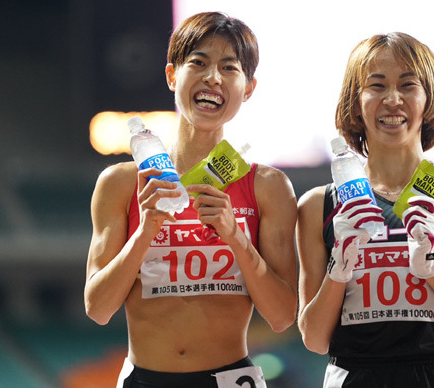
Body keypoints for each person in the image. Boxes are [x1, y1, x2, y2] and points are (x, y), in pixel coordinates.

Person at [84, 11, 298, 388]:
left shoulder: (268, 186)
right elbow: (98, 308)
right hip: (144, 378)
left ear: (248, 88)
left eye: (229, 68)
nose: (212, 77)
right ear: (172, 75)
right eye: (198, 62)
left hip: (232, 377)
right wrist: (145, 232)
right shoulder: (121, 183)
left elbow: (283, 316)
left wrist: (236, 237)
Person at [296, 32, 434, 387]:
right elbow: (315, 339)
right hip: (355, 376)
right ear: (355, 103)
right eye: (377, 85)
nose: (393, 99)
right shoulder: (318, 205)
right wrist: (339, 269)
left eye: (408, 85)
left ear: (429, 100)